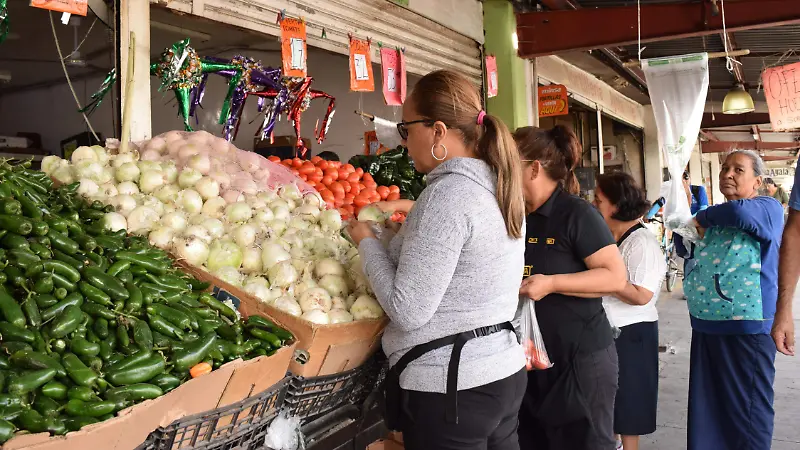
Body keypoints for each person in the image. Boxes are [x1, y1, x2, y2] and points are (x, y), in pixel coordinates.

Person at [346, 70, 527, 450]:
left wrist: (366, 242)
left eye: (406, 128)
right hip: (500, 373)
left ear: (439, 131)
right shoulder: (498, 186)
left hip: (453, 387)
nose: (403, 140)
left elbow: (408, 309)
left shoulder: (448, 196)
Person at [513, 125, 627, 450]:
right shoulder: (518, 215)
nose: (499, 173)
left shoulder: (575, 213)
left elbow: (615, 277)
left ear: (534, 168)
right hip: (531, 362)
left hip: (579, 364)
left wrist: (551, 283)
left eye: (507, 163)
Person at [684, 150, 783, 450]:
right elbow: (684, 244)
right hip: (706, 326)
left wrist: (700, 216)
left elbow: (740, 214)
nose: (727, 173)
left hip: (747, 329)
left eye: (738, 170)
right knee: (708, 410)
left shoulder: (767, 207)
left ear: (758, 180)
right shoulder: (719, 213)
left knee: (748, 412)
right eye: (725, 168)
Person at [594, 173, 665, 450]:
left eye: (598, 200)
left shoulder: (641, 243)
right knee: (613, 403)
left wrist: (605, 279)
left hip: (633, 333)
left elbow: (641, 294)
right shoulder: (615, 238)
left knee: (629, 406)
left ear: (616, 205)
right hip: (613, 330)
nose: (594, 204)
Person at [674, 170, 709, 278]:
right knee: (684, 253)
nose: (684, 181)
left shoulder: (698, 190)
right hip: (681, 227)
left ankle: (692, 285)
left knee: (693, 255)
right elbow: (662, 202)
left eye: (686, 178)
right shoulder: (675, 193)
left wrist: (690, 219)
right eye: (681, 179)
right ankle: (689, 283)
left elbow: (703, 208)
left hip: (696, 227)